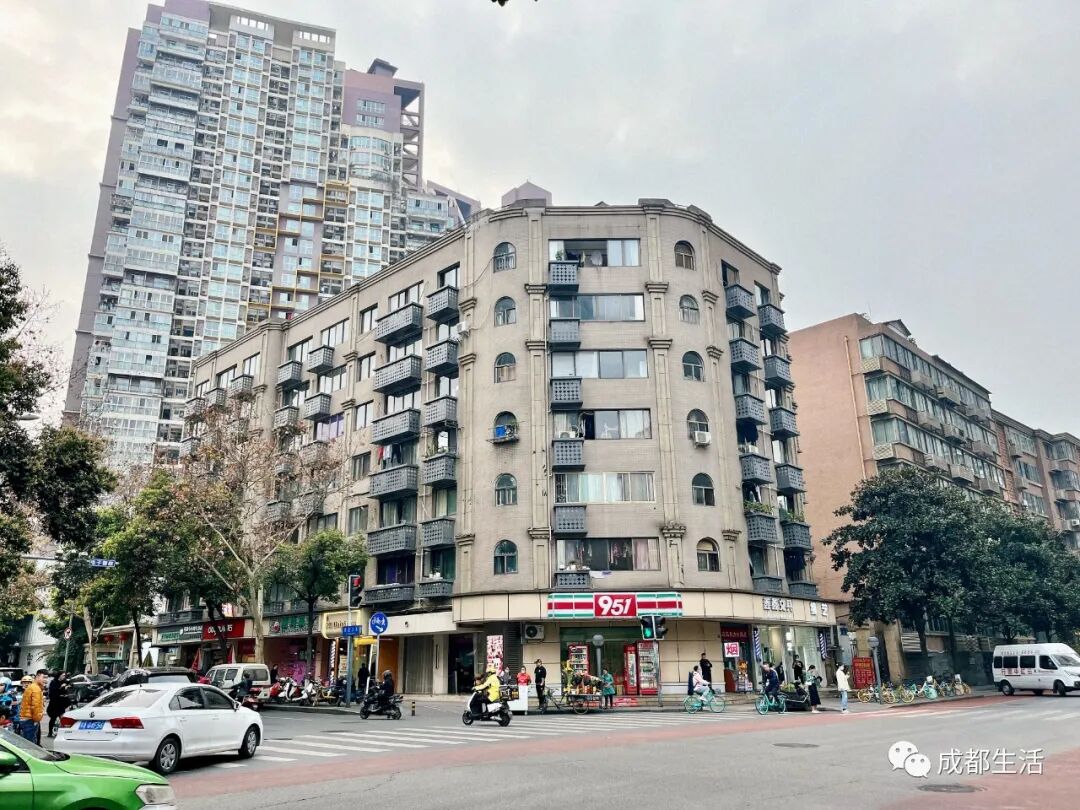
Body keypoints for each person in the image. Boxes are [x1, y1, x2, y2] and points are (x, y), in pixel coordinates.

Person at [19, 670, 46, 744]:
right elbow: (36, 706)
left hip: (26, 718)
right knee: (29, 744)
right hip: (29, 720)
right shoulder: (35, 689)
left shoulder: (33, 688)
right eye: (44, 677)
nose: (45, 680)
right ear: (37, 676)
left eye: (28, 682)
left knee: (28, 742)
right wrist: (37, 719)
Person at [46, 672, 69, 738]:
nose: (64, 677)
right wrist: (61, 687)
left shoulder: (64, 682)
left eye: (64, 675)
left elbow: (64, 691)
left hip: (61, 703)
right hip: (54, 703)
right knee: (53, 718)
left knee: (62, 718)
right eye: (63, 675)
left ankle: (63, 732)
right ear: (59, 675)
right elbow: (53, 692)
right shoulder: (54, 682)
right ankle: (50, 732)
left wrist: (66, 688)